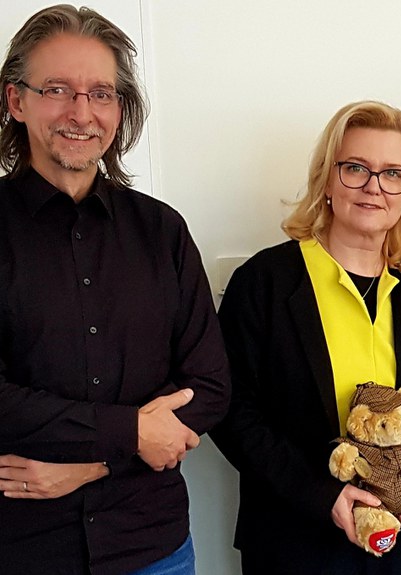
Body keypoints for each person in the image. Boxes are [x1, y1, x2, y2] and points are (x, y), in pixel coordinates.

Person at [0, 5, 230, 574]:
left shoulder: (162, 230)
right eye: (57, 89)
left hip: (154, 548)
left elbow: (209, 386)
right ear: (16, 100)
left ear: (119, 109)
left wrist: (94, 462)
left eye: (101, 93)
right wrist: (131, 431)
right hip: (25, 548)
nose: (81, 113)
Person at [210, 100, 401, 575]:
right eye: (355, 168)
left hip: (400, 544)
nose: (374, 186)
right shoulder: (265, 281)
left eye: (393, 174)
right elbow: (229, 410)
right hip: (297, 540)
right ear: (327, 180)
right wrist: (320, 494)